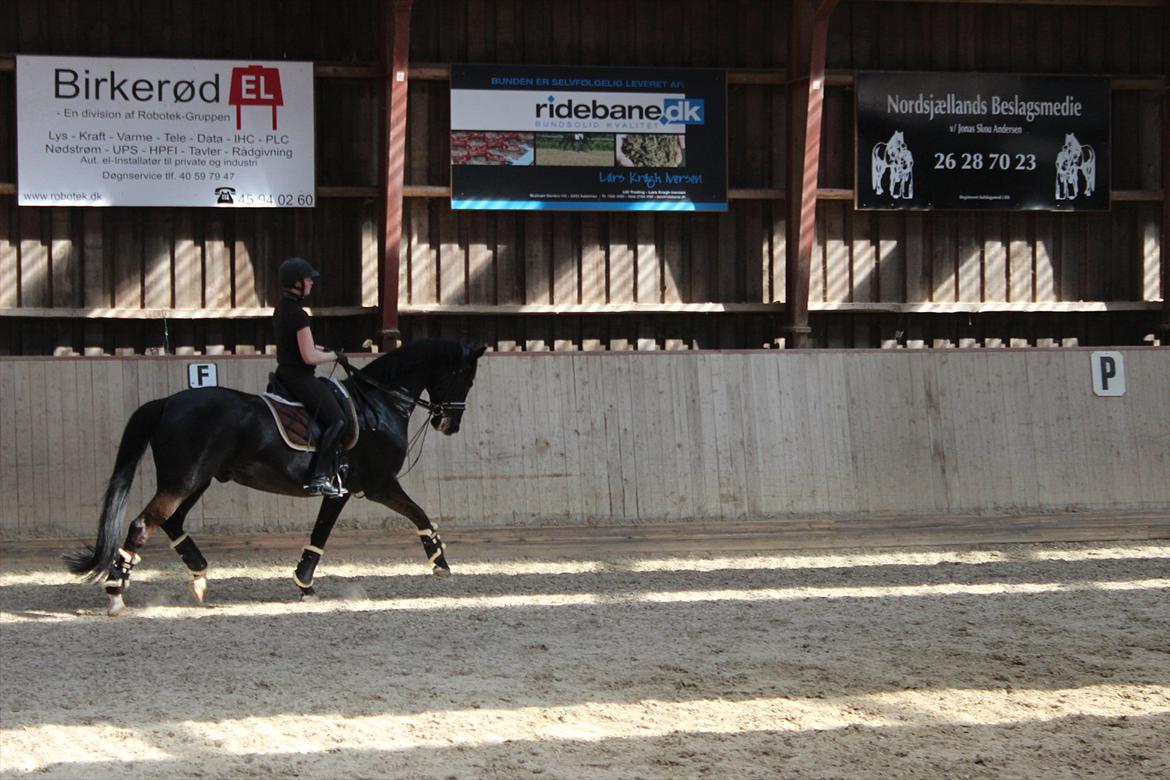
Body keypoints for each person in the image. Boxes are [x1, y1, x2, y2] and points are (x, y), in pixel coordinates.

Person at [272, 257, 349, 497]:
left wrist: (323, 350)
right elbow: (308, 357)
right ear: (297, 283)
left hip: (284, 374)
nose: (311, 283)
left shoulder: (281, 309)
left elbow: (302, 346)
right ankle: (319, 477)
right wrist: (335, 355)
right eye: (308, 279)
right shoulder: (299, 314)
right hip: (300, 378)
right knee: (338, 421)